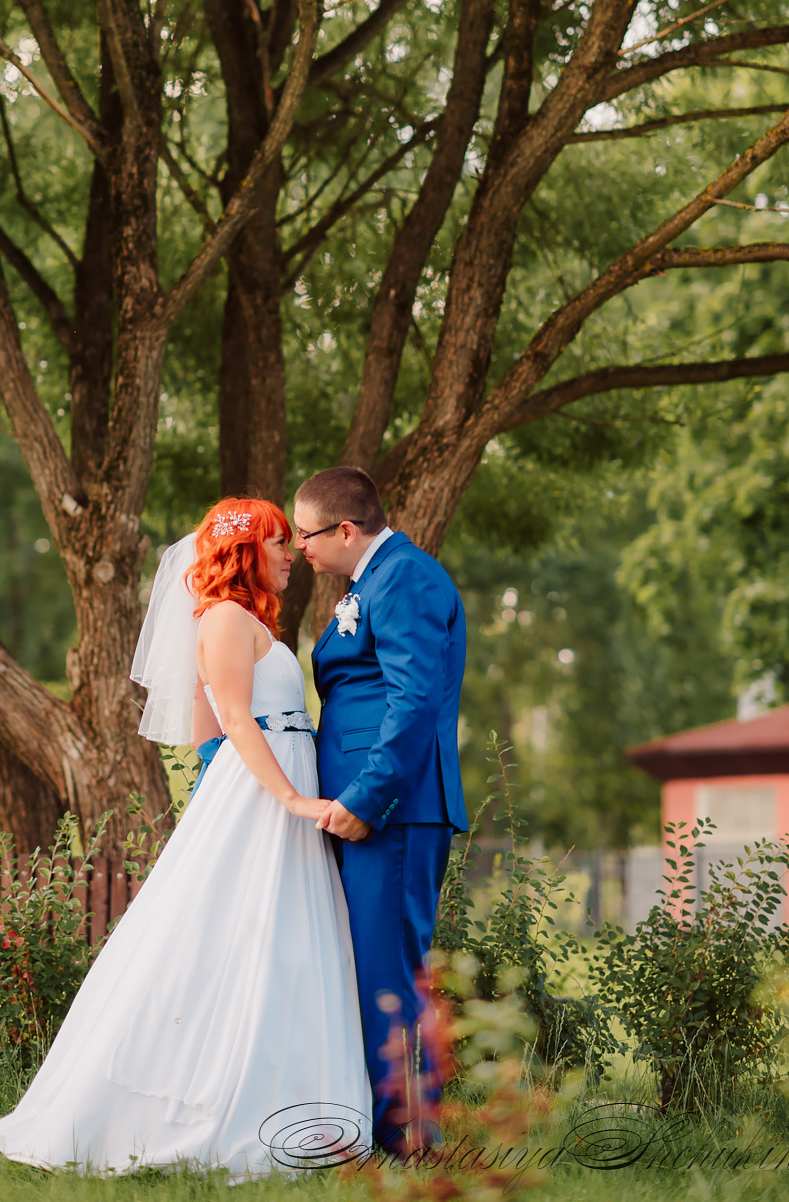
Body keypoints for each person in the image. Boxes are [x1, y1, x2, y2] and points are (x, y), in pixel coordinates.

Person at [0, 498, 371, 1177]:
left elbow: (204, 731)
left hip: (270, 791)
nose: (287, 558)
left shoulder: (253, 624)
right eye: (276, 544)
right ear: (244, 553)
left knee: (285, 942)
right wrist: (290, 797)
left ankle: (297, 1100)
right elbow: (233, 724)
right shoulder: (221, 620)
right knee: (231, 938)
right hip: (265, 796)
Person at [294, 466, 468, 1151]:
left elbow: (415, 699)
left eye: (306, 534)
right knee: (366, 970)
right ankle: (377, 1126)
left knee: (388, 975)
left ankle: (409, 1142)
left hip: (391, 811)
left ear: (343, 529)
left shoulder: (406, 576)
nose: (299, 547)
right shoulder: (370, 582)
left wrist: (368, 797)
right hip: (363, 809)